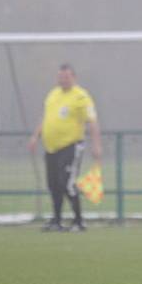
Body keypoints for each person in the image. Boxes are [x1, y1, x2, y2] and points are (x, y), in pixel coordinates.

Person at [29, 64, 102, 232]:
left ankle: (79, 221)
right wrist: (35, 136)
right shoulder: (53, 94)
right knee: (53, 184)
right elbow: (45, 118)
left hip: (71, 146)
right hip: (51, 148)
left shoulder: (81, 97)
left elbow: (92, 121)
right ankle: (57, 220)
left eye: (66, 77)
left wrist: (96, 145)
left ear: (74, 78)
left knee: (67, 183)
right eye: (60, 77)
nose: (63, 80)